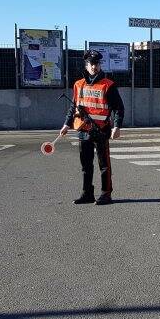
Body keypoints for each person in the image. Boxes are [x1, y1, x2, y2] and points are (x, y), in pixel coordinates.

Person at [59, 50, 125, 205]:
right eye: (91, 64)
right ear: (86, 65)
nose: (94, 66)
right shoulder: (78, 84)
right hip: (83, 129)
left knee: (104, 165)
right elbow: (73, 107)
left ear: (100, 65)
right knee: (86, 165)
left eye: (97, 64)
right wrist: (66, 124)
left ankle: (106, 194)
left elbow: (118, 108)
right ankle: (87, 194)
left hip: (101, 130)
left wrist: (117, 126)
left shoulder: (108, 85)